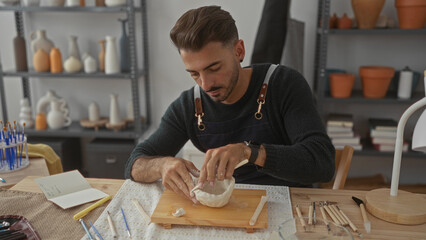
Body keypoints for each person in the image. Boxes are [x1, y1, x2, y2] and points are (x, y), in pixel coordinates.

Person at [125, 5, 335, 203]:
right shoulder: (190, 105)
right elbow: (134, 164)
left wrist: (249, 152)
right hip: (234, 206)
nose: (206, 84)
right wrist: (161, 166)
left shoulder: (284, 84)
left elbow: (322, 163)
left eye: (214, 68)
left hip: (293, 204)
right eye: (194, 74)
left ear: (239, 51)